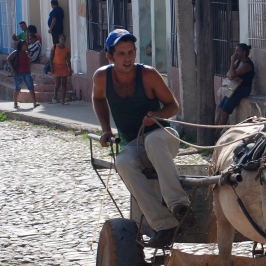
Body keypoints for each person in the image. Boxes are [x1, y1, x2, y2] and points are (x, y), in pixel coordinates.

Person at [91, 28, 191, 246]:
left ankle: (179, 205)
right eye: (122, 54)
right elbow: (98, 99)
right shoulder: (102, 77)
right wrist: (106, 129)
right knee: (122, 163)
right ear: (110, 57)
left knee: (152, 140)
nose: (128, 58)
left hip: (163, 136)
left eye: (131, 52)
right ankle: (164, 225)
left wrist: (156, 115)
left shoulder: (148, 75)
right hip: (135, 145)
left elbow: (173, 106)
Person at [215, 43, 255, 126]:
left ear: (244, 52)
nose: (235, 53)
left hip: (243, 89)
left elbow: (232, 75)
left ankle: (216, 134)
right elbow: (229, 74)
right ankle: (213, 129)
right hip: (233, 88)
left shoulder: (247, 64)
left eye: (238, 51)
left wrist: (232, 61)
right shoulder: (239, 62)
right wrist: (233, 73)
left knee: (225, 111)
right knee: (219, 108)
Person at [7, 39, 40, 110]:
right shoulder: (16, 52)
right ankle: (15, 103)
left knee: (31, 87)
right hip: (18, 72)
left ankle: (34, 102)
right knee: (18, 88)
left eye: (26, 45)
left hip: (26, 72)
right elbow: (8, 58)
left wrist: (29, 69)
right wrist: (12, 68)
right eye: (25, 45)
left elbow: (28, 62)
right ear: (21, 46)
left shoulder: (27, 53)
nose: (26, 46)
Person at [49, 33, 73, 104]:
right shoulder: (54, 47)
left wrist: (70, 69)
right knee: (57, 83)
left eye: (64, 39)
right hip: (56, 66)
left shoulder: (67, 49)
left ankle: (63, 99)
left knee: (64, 83)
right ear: (59, 40)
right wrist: (51, 66)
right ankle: (55, 97)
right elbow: (51, 57)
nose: (63, 40)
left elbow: (68, 60)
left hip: (64, 67)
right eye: (62, 39)